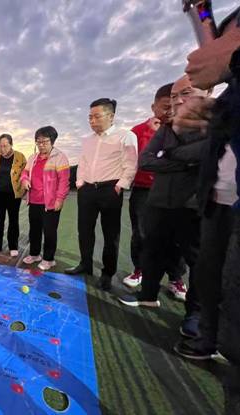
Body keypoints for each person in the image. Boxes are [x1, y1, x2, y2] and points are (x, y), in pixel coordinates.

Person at [173, 10, 240, 412]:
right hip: (217, 200)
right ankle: (207, 339)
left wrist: (233, 55)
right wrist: (212, 115)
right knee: (211, 279)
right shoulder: (228, 97)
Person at [118, 75, 210, 339]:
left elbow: (207, 154)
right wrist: (183, 162)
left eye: (186, 93)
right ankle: (148, 295)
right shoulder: (168, 128)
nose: (178, 100)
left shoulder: (215, 123)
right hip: (159, 201)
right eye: (174, 96)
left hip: (193, 203)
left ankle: (194, 314)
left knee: (196, 259)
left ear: (207, 92)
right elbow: (147, 160)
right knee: (153, 248)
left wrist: (169, 156)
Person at [124, 83, 188, 301]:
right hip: (145, 190)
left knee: (177, 236)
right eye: (165, 106)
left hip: (179, 190)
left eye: (174, 105)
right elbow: (138, 161)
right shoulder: (137, 131)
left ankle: (175, 278)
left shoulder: (188, 127)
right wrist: (154, 134)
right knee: (141, 233)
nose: (170, 110)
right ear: (154, 107)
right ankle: (139, 270)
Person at [65, 98, 137, 291]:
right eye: (90, 117)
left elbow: (131, 164)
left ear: (111, 116)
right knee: (84, 230)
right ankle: (85, 264)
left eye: (97, 116)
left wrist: (121, 185)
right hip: (87, 189)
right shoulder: (87, 140)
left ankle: (107, 273)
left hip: (110, 190)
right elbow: (83, 163)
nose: (92, 121)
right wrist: (79, 183)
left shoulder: (125, 136)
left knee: (110, 234)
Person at [20, 127, 70, 270]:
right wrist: (24, 180)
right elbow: (25, 173)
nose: (41, 145)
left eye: (44, 142)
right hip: (34, 200)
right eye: (38, 142)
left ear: (52, 141)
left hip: (50, 202)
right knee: (34, 230)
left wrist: (60, 199)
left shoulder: (60, 157)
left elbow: (64, 181)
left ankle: (49, 259)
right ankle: (35, 254)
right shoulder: (33, 158)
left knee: (49, 231)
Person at [0, 133, 27, 257]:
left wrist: (24, 190)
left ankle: (13, 246)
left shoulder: (20, 157)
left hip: (14, 195)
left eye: (5, 146)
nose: (2, 148)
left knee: (13, 220)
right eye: (0, 146)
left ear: (11, 145)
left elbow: (25, 173)